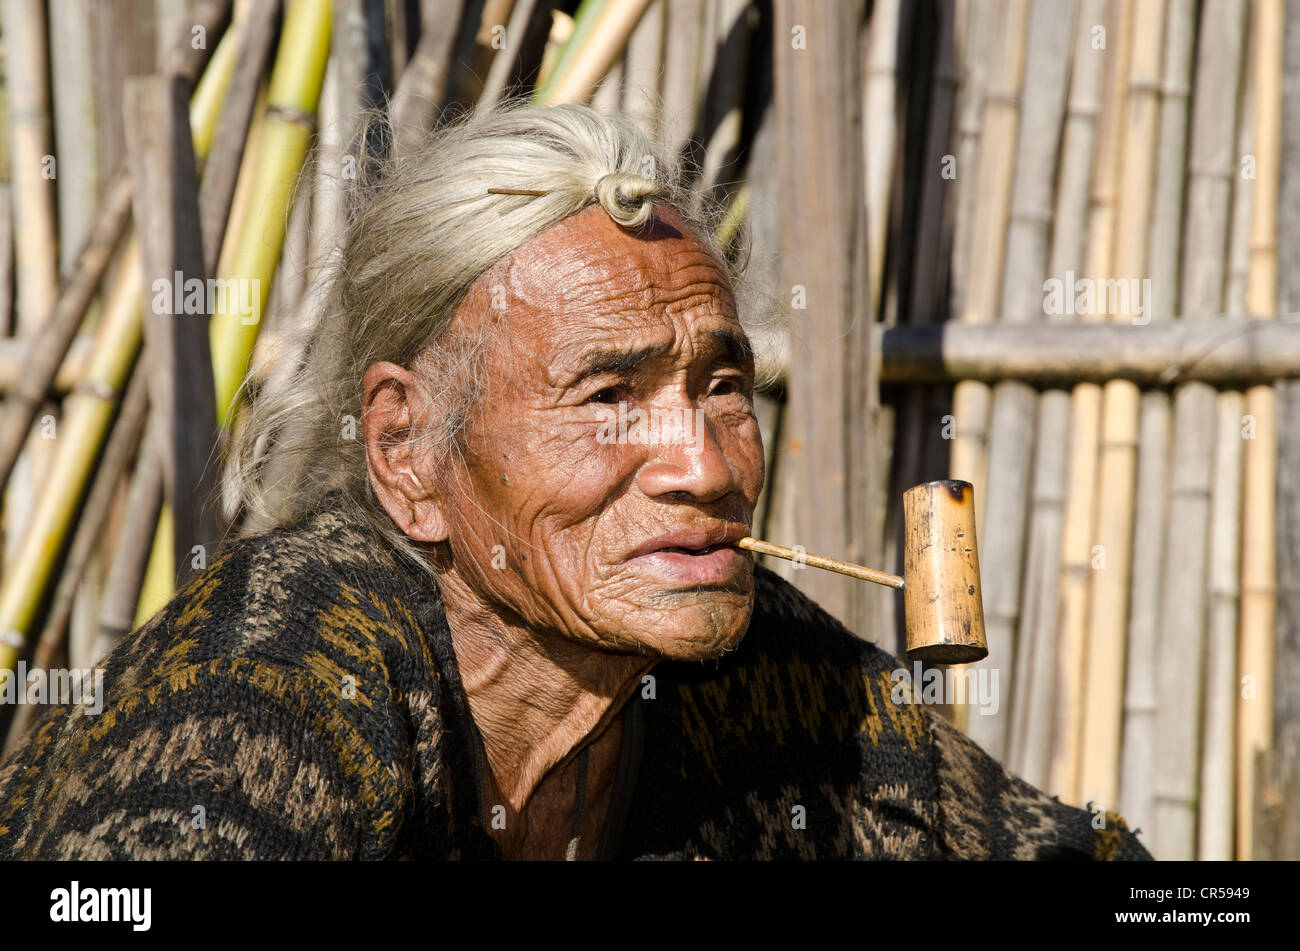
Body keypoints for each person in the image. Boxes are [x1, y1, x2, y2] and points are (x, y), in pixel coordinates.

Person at [0, 103, 1151, 860]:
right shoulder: (272, 680)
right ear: (407, 453)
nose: (704, 466)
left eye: (722, 385)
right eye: (608, 397)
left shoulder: (763, 682)